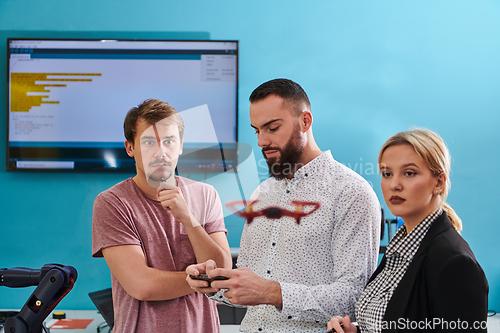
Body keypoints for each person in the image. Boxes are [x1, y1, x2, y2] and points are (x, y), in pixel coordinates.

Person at [187, 79, 381, 332]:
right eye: (257, 131)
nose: (261, 142)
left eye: (272, 128)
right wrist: (216, 284)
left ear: (305, 121)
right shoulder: (262, 194)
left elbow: (355, 298)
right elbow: (252, 290)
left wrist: (272, 293)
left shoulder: (352, 193)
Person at [327, 128, 489, 333]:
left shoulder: (455, 262)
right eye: (387, 174)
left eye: (409, 173)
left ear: (438, 182)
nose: (394, 185)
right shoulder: (401, 247)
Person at [92, 99, 232, 333]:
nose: (161, 152)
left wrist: (189, 219)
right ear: (130, 148)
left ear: (180, 146)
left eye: (169, 141)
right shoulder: (112, 202)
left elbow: (223, 271)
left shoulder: (205, 195)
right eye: (148, 142)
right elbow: (142, 285)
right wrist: (199, 281)